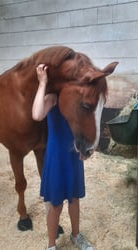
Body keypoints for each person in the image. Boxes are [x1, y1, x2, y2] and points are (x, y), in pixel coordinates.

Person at [32, 64, 94, 250]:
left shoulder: (77, 100)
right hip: (55, 158)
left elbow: (83, 125)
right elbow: (36, 114)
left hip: (73, 156)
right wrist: (42, 83)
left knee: (74, 200)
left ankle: (76, 235)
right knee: (56, 204)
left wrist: (86, 147)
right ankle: (51, 245)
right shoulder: (53, 98)